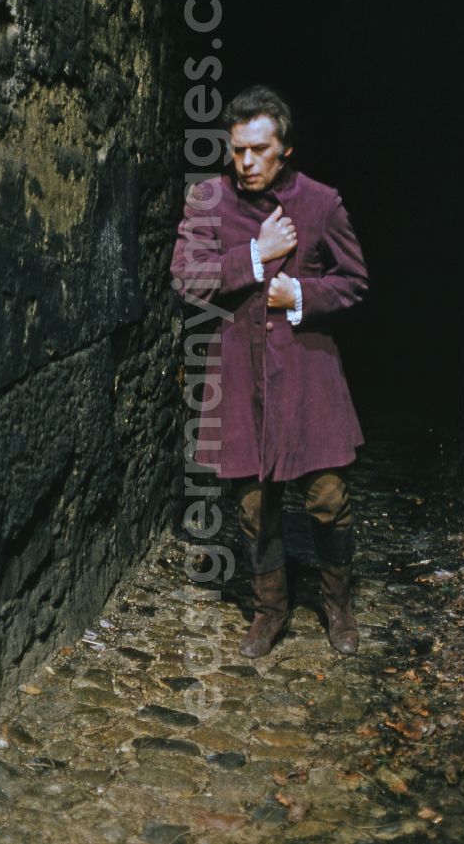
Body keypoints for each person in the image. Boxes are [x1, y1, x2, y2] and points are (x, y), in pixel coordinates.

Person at [171, 85, 368, 657]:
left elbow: (355, 281)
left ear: (285, 149)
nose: (246, 163)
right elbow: (186, 278)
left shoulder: (321, 202)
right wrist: (254, 257)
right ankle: (269, 610)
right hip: (240, 375)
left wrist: (302, 292)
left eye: (258, 150)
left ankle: (338, 605)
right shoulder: (208, 200)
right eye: (237, 150)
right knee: (254, 507)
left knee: (328, 497)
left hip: (309, 374)